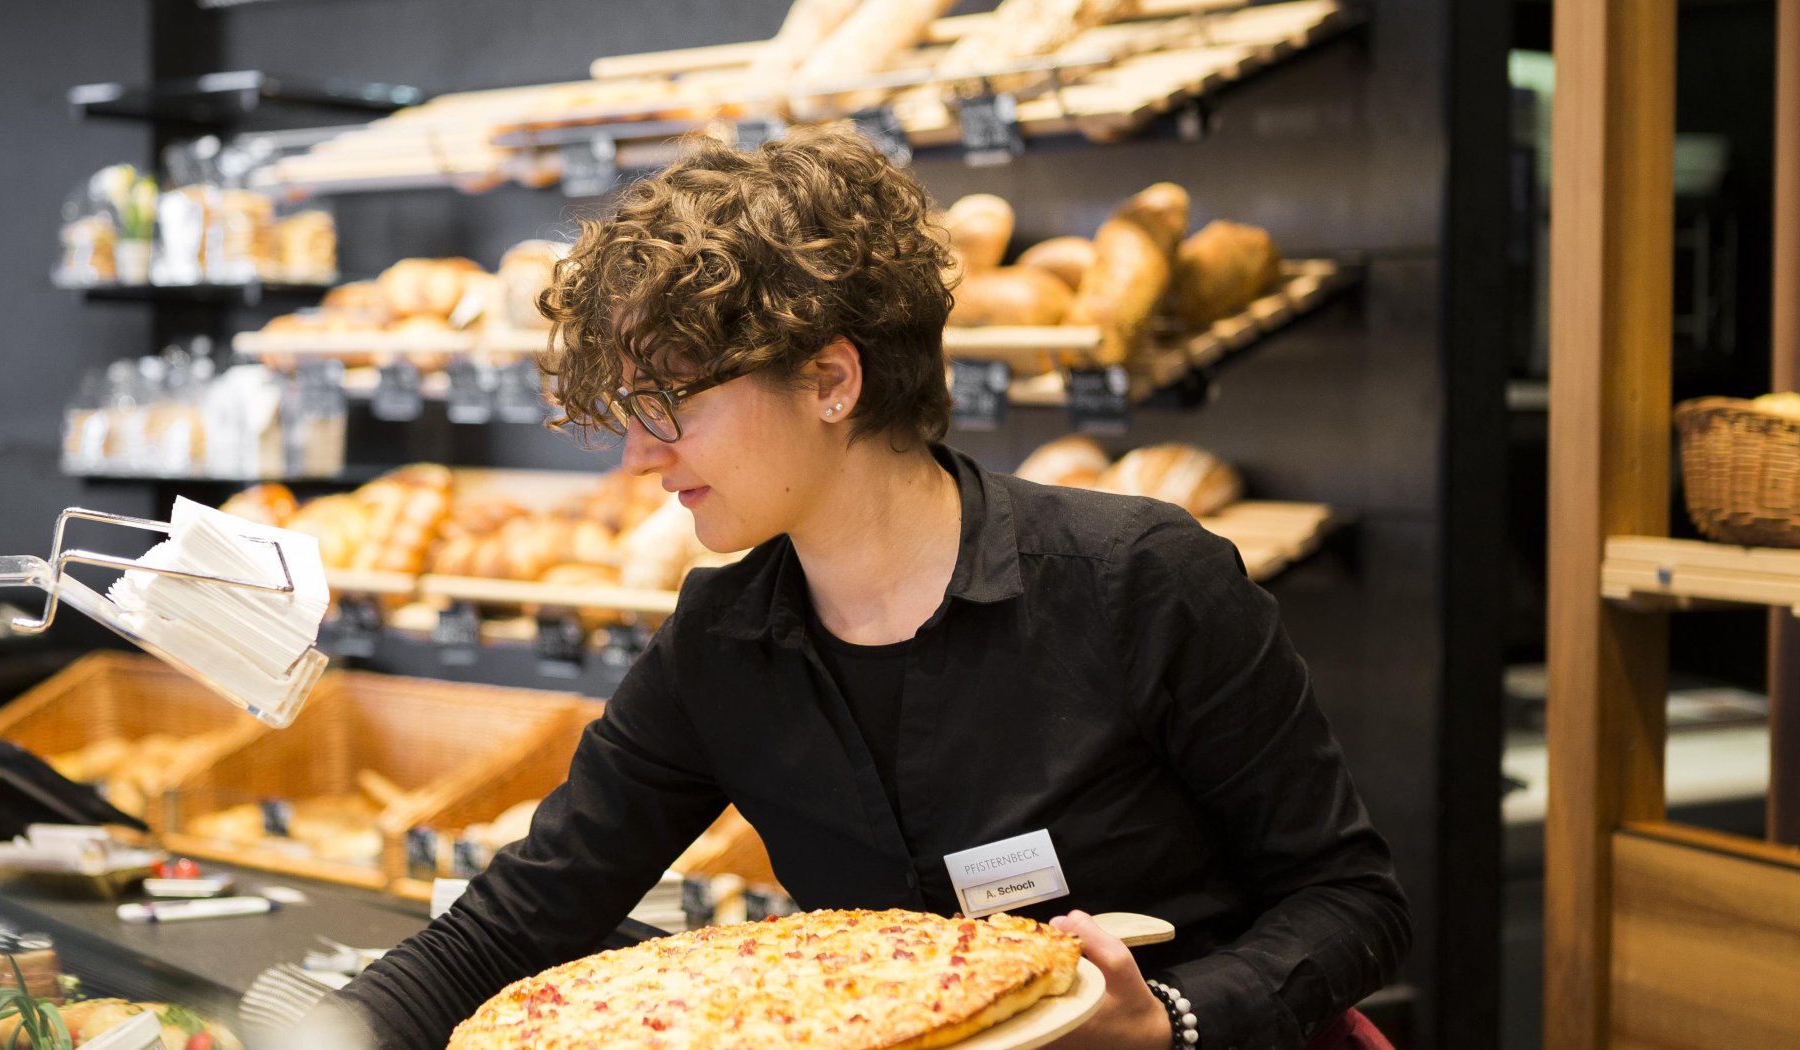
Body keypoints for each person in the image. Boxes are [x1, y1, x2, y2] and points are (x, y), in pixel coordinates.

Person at [319, 126, 1408, 1050]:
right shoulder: (719, 645)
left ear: (832, 380)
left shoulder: (1137, 581)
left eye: (668, 407)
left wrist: (1166, 1018)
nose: (640, 460)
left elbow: (1352, 900)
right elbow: (515, 926)